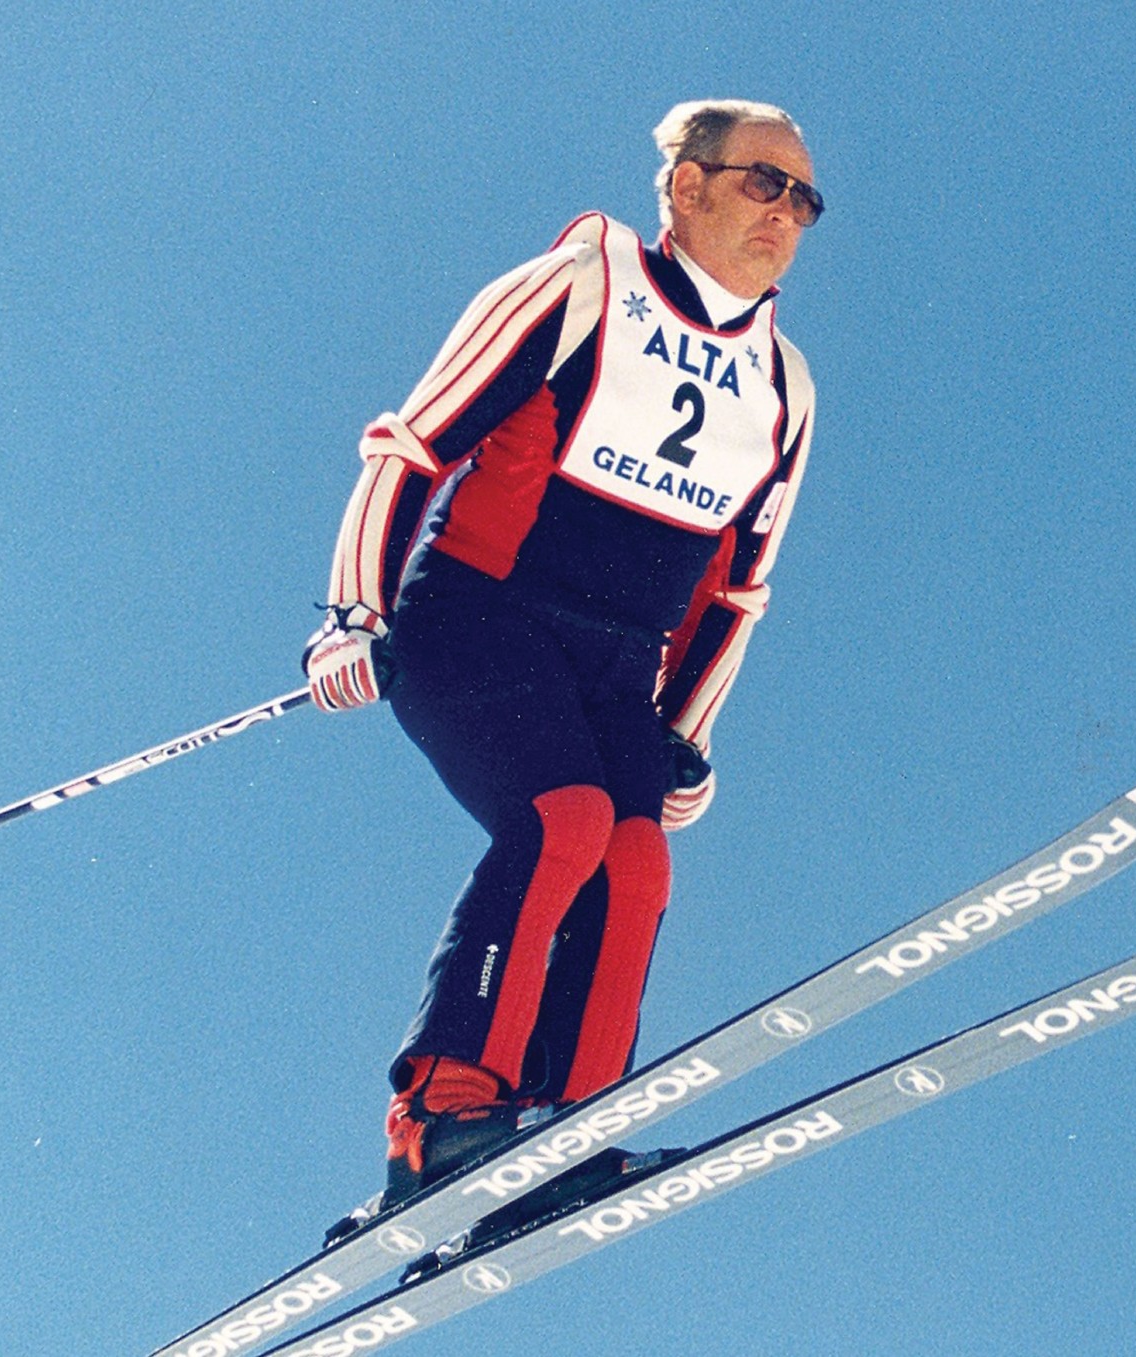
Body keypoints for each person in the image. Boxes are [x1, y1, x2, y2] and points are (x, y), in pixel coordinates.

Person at [303, 99, 823, 1218]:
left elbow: (735, 585)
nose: (788, 213)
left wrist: (685, 731)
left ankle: (573, 1126)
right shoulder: (584, 284)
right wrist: (355, 610)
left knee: (636, 860)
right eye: (762, 183)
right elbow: (416, 442)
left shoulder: (787, 388)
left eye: (806, 199)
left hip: (616, 667)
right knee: (563, 823)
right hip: (479, 619)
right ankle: (444, 1114)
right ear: (685, 187)